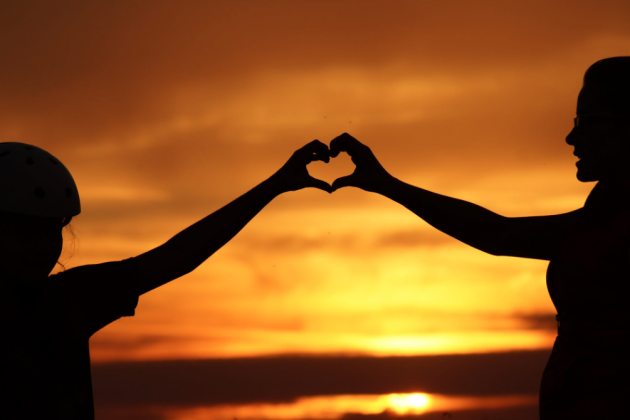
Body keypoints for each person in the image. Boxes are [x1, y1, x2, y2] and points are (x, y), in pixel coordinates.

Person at [328, 57, 630, 419]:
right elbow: (499, 234)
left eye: (587, 122)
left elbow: (499, 235)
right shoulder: (606, 212)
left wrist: (386, 185)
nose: (571, 136)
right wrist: (385, 184)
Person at [0, 140, 331, 419]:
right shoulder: (70, 300)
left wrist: (276, 184)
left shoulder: (70, 298)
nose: (43, 247)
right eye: (26, 232)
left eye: (52, 230)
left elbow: (178, 256)